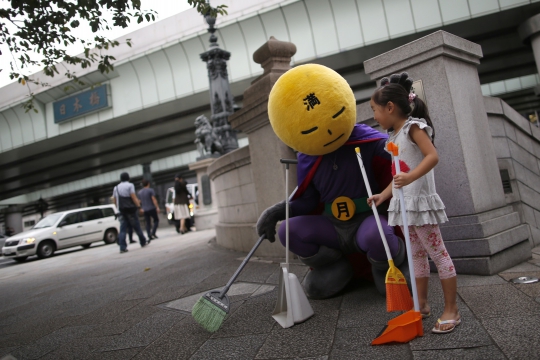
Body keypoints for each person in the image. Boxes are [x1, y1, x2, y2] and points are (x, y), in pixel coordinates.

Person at [256, 64, 409, 300]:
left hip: (366, 218)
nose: (326, 131)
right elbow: (308, 201)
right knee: (289, 231)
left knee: (378, 234)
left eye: (336, 115)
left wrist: (401, 112)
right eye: (312, 129)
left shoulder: (365, 139)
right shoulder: (308, 156)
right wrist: (277, 211)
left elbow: (400, 150)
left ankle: (387, 266)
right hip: (332, 226)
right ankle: (335, 267)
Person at [367, 72, 459, 334]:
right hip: (405, 206)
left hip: (420, 203)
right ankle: (421, 305)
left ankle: (452, 309)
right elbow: (399, 175)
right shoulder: (393, 137)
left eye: (375, 110)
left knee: (438, 254)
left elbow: (432, 156)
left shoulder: (413, 128)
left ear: (390, 107)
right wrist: (384, 195)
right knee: (416, 256)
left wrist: (409, 177)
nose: (374, 116)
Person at [112, 172, 148, 253]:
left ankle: (122, 247)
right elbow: (133, 197)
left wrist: (118, 208)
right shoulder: (130, 185)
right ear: (128, 178)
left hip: (121, 211)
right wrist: (139, 207)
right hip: (130, 210)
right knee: (136, 226)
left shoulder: (116, 187)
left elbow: (114, 201)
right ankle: (143, 241)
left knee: (123, 229)